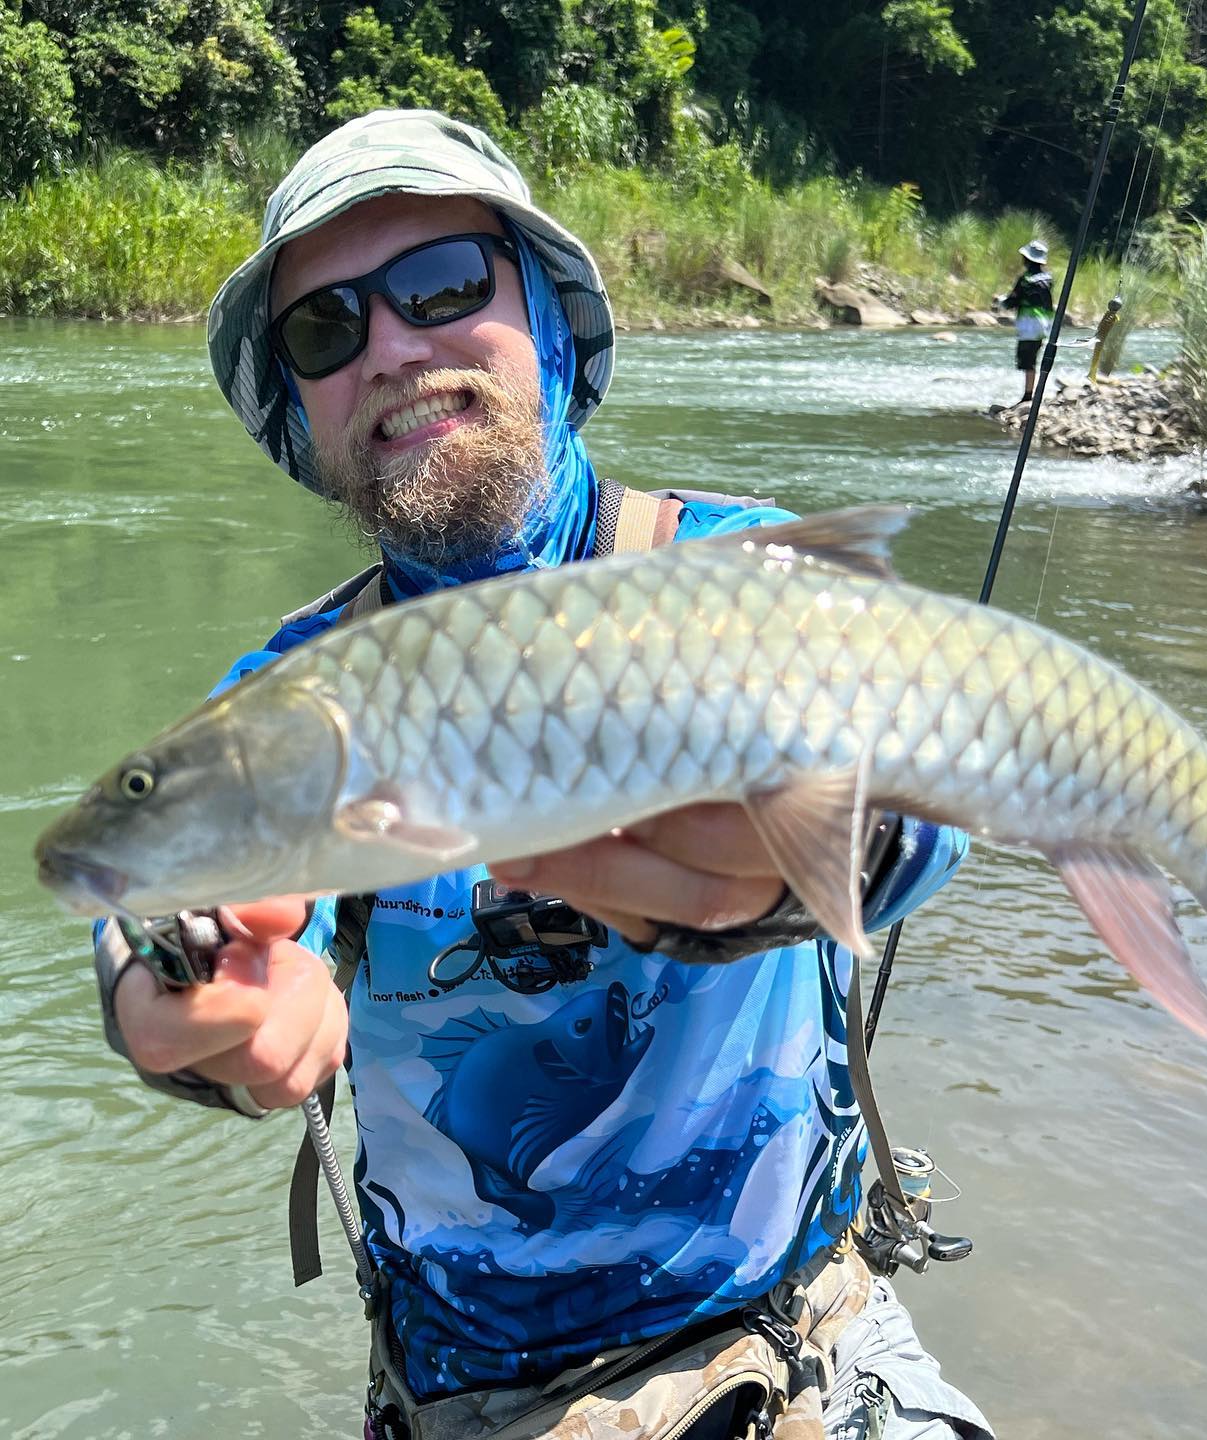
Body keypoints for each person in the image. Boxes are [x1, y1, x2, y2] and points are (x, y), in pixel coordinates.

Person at [92, 109, 993, 1440]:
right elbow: (141, 886)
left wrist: (825, 854)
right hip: (460, 1394)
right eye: (326, 331)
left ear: (556, 328)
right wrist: (167, 1007)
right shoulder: (285, 704)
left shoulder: (735, 576)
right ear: (300, 408)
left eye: (444, 283)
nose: (392, 347)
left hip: (799, 1340)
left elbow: (942, 786)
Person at [996, 240, 1054, 405]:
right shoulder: (1048, 279)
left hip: (1028, 325)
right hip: (1044, 324)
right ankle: (1031, 393)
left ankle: (1028, 396)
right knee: (1034, 359)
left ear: (1028, 260)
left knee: (1027, 361)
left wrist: (1000, 301)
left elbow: (1012, 302)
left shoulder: (1025, 279)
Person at [1087, 296, 1124, 384]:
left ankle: (1092, 375)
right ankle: (1092, 375)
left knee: (1096, 355)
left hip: (1100, 338)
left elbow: (1102, 326)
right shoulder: (1111, 316)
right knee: (1096, 355)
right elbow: (1103, 326)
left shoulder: (1111, 316)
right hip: (1100, 338)